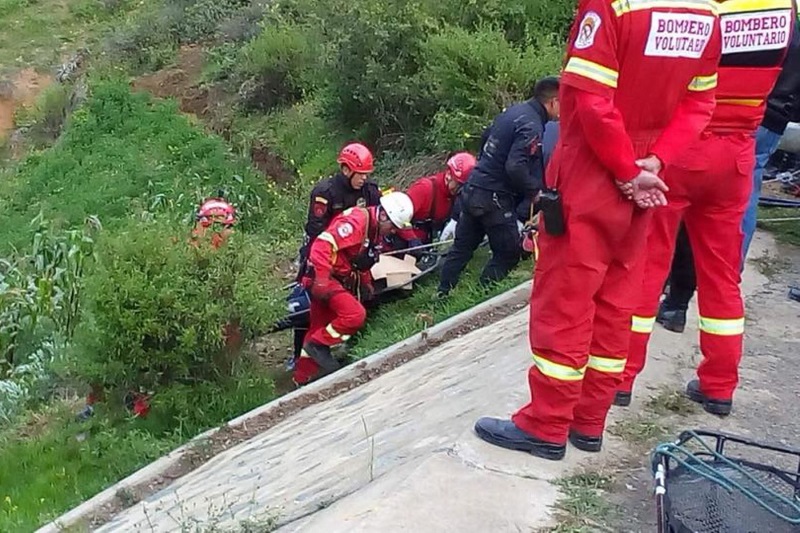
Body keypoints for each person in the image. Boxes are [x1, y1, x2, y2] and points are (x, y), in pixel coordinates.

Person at [474, 0, 721, 460]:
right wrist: (657, 160)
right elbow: (699, 102)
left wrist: (625, 169)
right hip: (645, 171)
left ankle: (546, 425)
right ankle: (589, 422)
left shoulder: (612, 7)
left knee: (565, 299)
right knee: (616, 299)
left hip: (594, 173)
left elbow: (591, 101)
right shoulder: (705, 11)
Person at [616, 0, 796, 416]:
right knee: (722, 278)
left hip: (681, 147)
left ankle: (621, 378)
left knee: (648, 266)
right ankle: (719, 385)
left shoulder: (707, 8)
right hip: (736, 154)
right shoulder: (783, 9)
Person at [655, 24, 800, 332]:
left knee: (680, 213)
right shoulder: (784, 11)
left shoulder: (722, 10)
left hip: (718, 119)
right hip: (767, 117)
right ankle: (728, 273)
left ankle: (675, 300)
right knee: (741, 199)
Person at [437, 77, 560, 296]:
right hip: (494, 197)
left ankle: (441, 295)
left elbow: (485, 141)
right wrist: (534, 191)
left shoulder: (512, 113)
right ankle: (481, 295)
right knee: (509, 253)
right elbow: (515, 166)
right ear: (552, 102)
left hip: (474, 186)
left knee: (461, 249)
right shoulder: (531, 125)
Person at [293, 192, 414, 385]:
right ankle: (320, 345)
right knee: (355, 315)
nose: (393, 232)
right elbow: (322, 245)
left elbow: (359, 259)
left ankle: (301, 380)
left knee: (317, 329)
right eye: (393, 226)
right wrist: (323, 279)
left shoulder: (373, 230)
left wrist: (365, 281)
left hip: (332, 277)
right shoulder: (357, 222)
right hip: (324, 277)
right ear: (383, 215)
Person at [386, 152, 476, 253]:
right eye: (459, 185)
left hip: (429, 243)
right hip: (407, 243)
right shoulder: (425, 189)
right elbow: (398, 217)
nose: (461, 190)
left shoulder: (456, 196)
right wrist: (412, 239)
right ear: (449, 175)